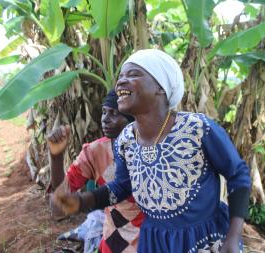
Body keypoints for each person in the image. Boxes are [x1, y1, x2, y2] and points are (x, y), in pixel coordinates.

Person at [53, 49, 251, 253]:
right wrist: (82, 200)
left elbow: (237, 174)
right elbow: (122, 187)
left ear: (160, 87)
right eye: (121, 76)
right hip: (155, 242)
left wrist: (234, 236)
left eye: (133, 74)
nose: (121, 81)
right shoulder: (126, 139)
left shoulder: (197, 128)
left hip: (204, 239)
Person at [47, 89, 144, 253]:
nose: (105, 119)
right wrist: (56, 157)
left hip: (148, 234)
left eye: (114, 113)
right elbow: (62, 194)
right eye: (104, 112)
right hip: (115, 235)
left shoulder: (151, 152)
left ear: (132, 120)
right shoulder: (94, 152)